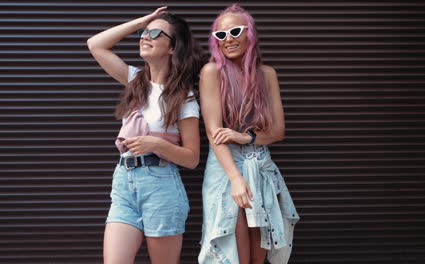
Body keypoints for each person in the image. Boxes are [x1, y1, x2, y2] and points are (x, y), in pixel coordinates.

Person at [87, 6, 206, 264]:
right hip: (124, 183)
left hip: (161, 185)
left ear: (173, 48)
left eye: (155, 33)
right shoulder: (135, 80)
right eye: (144, 33)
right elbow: (95, 44)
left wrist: (155, 143)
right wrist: (143, 21)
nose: (145, 36)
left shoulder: (183, 97)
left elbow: (192, 158)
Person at [198, 4, 299, 264]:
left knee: (258, 256)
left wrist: (248, 137)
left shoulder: (267, 75)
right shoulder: (212, 73)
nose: (228, 39)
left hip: (261, 166)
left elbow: (278, 131)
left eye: (234, 31)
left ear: (249, 33)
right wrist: (235, 179)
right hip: (226, 168)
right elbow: (214, 132)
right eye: (221, 35)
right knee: (233, 252)